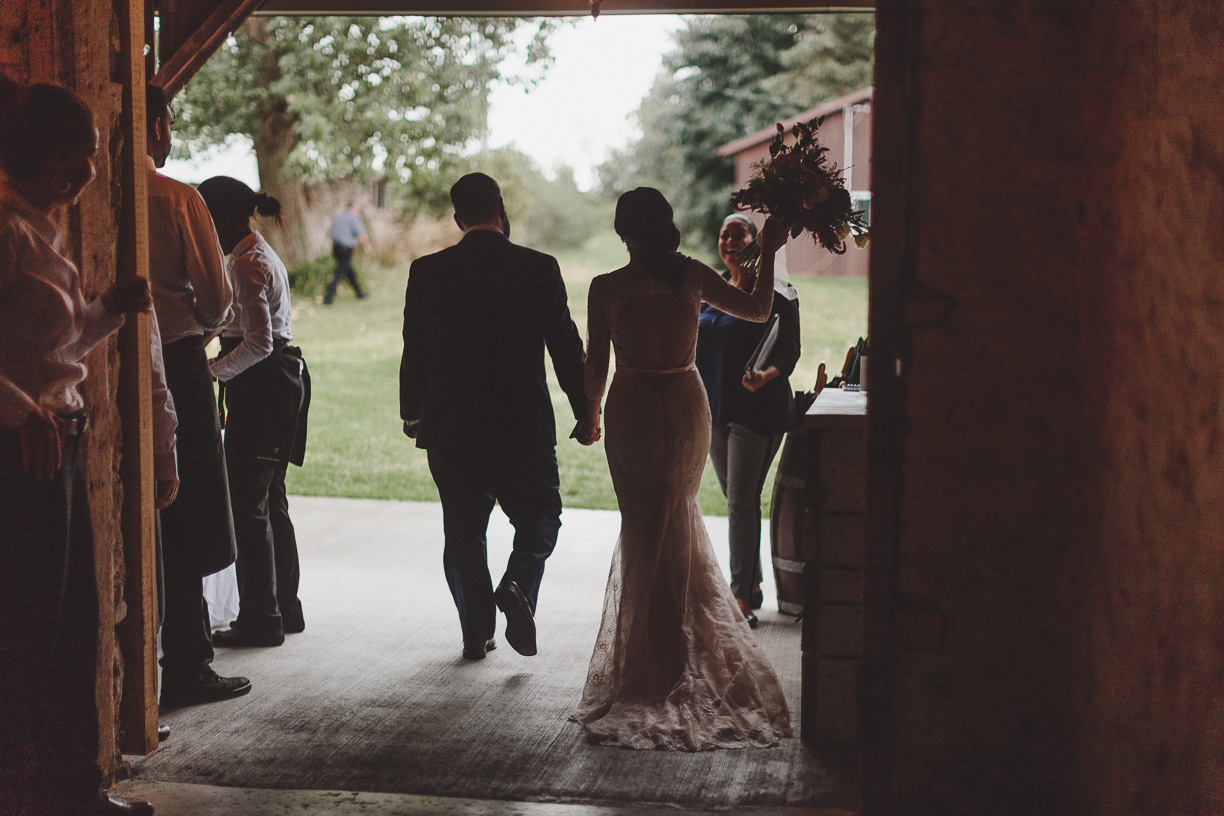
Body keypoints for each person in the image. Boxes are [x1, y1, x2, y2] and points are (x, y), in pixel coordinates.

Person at [572, 188, 792, 751]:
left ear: (625, 233)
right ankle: (670, 655)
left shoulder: (607, 287)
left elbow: (597, 361)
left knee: (645, 526)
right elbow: (760, 308)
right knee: (676, 517)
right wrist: (766, 253)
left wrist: (589, 416)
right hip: (686, 401)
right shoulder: (692, 275)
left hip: (634, 404)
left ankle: (652, 663)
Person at [0, 74, 157, 816]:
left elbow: (48, 348)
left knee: (73, 625)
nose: (96, 169)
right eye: (91, 153)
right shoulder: (4, 229)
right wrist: (19, 409)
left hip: (55, 441)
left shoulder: (42, 230)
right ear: (59, 156)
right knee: (30, 627)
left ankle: (71, 786)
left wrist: (105, 313)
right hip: (17, 451)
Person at [399, 172, 589, 662]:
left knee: (463, 527)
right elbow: (566, 348)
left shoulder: (428, 271)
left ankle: (475, 631)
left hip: (450, 424)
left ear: (458, 218)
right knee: (541, 514)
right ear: (500, 210)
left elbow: (415, 348)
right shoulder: (538, 268)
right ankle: (519, 584)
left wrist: (411, 410)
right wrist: (586, 408)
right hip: (520, 424)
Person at [145, 84, 251, 707]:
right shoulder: (177, 196)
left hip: (100, 358)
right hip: (178, 361)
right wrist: (201, 333)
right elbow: (217, 298)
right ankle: (186, 661)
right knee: (185, 507)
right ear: (157, 126)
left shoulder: (94, 191)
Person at [197, 176, 309, 648]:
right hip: (277, 388)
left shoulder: (247, 263)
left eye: (203, 218)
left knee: (249, 506)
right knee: (270, 499)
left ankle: (262, 619)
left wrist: (212, 373)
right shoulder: (251, 254)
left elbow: (260, 341)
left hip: (264, 391)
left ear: (221, 219)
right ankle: (286, 608)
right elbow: (237, 318)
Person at [696, 213, 801, 629]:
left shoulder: (777, 290)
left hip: (757, 411)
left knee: (740, 502)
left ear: (756, 242)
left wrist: (765, 375)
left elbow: (789, 350)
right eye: (724, 234)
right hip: (715, 411)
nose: (730, 241)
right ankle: (751, 585)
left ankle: (740, 595)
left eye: (739, 234)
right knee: (738, 502)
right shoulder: (713, 290)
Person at [324, 201, 370, 303]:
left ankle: (359, 293)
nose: (358, 212)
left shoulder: (337, 217)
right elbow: (361, 235)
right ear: (353, 208)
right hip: (345, 249)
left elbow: (329, 235)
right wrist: (366, 246)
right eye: (357, 209)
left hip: (336, 248)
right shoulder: (353, 218)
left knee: (348, 271)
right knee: (339, 273)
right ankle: (328, 297)